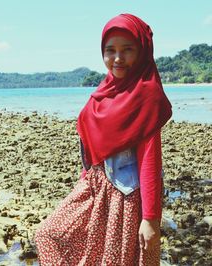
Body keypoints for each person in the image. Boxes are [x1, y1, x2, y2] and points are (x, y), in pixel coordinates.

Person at [35, 13, 172, 265]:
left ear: (142, 52)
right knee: (48, 235)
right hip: (93, 187)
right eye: (110, 50)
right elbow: (90, 151)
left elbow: (150, 163)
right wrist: (82, 185)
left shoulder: (146, 95)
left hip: (126, 198)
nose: (118, 58)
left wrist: (150, 219)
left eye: (127, 50)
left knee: (116, 260)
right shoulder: (103, 92)